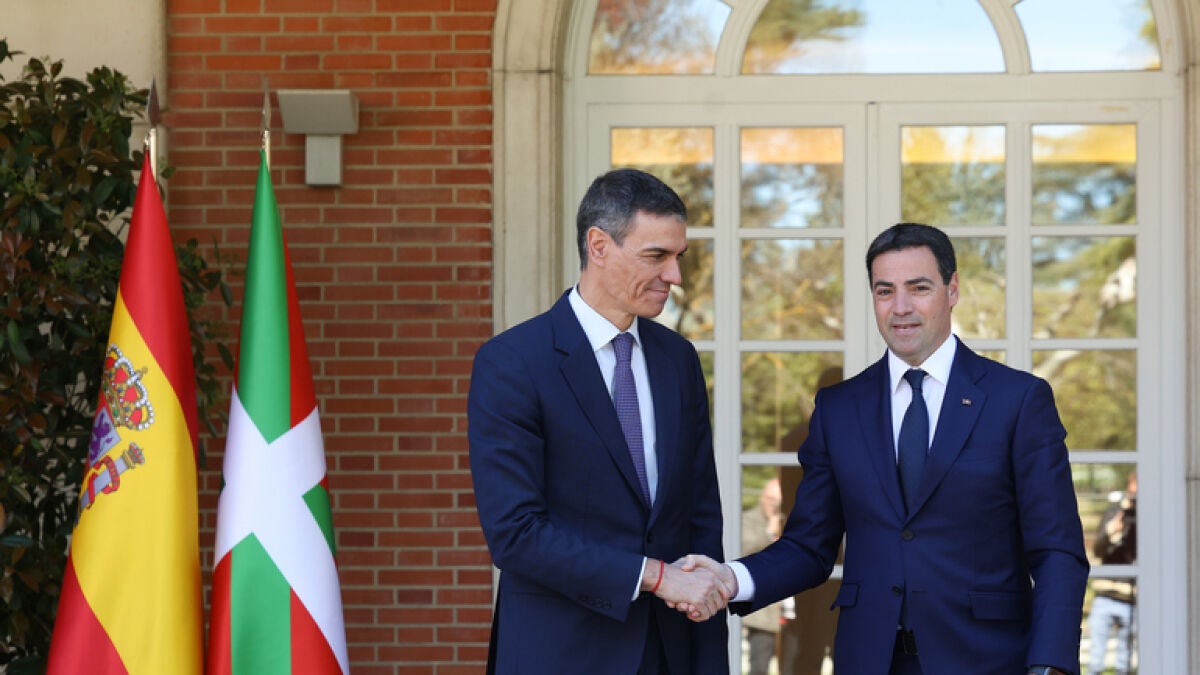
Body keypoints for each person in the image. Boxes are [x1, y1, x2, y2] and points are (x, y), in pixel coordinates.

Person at [682, 222, 1089, 675]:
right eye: (885, 291)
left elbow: (1057, 552)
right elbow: (808, 546)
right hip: (868, 660)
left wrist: (1050, 665)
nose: (901, 308)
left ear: (952, 290)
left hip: (987, 660)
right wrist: (729, 578)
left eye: (919, 288)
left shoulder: (1018, 401)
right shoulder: (839, 409)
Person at [467, 168, 730, 674]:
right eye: (656, 256)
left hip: (671, 649)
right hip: (561, 653)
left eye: (679, 257)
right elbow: (516, 533)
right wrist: (655, 576)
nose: (675, 276)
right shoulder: (513, 362)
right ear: (599, 245)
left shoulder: (678, 359)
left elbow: (700, 516)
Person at [1087, 472, 1137, 675]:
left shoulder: (1146, 517)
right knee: (1095, 661)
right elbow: (1097, 550)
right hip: (1105, 595)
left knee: (1124, 663)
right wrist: (1113, 530)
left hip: (1130, 597)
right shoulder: (1113, 513)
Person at [741, 477, 783, 675]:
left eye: (778, 501)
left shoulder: (788, 520)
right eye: (771, 499)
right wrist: (768, 533)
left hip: (791, 610)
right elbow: (744, 551)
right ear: (762, 498)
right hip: (763, 613)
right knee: (759, 667)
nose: (774, 505)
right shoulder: (748, 520)